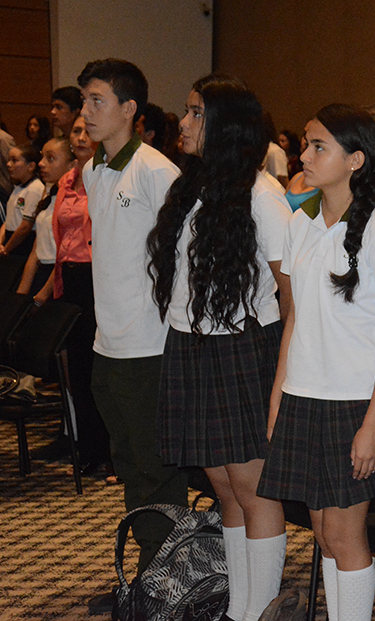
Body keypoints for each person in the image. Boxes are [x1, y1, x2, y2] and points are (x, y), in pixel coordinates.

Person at [146, 74, 291, 621]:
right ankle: (241, 605)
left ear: (226, 125)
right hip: (191, 344)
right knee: (224, 487)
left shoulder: (262, 194)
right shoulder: (192, 186)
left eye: (195, 113)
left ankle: (259, 609)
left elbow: (291, 291)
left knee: (253, 489)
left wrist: (282, 369)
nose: (182, 123)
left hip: (244, 348)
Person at [258, 103, 375, 621]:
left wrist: (373, 422)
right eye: (305, 144)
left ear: (356, 159)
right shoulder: (300, 221)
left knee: (344, 535)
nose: (304, 156)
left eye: (319, 147)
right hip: (303, 394)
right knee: (321, 533)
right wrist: (278, 395)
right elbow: (294, 320)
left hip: (354, 400)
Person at [79, 58, 189, 613]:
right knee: (129, 465)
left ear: (130, 110)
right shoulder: (93, 169)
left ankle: (160, 583)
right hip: (109, 344)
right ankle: (147, 576)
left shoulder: (157, 172)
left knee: (155, 471)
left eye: (97, 101)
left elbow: (180, 264)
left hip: (149, 348)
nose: (86, 113)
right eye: (83, 102)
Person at [53, 115, 110, 477]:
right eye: (75, 130)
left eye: (86, 130)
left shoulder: (103, 179)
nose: (80, 136)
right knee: (77, 368)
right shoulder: (66, 182)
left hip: (97, 279)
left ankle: (109, 451)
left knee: (98, 369)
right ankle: (87, 449)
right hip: (70, 279)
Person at [17, 137, 74, 299]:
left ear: (71, 166)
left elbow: (64, 254)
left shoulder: (73, 202)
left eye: (50, 158)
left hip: (58, 278)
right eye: (42, 157)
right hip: (41, 272)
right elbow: (36, 248)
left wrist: (43, 294)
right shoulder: (48, 192)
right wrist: (22, 292)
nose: (41, 163)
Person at [2, 143, 44, 256]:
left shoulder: (35, 189)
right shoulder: (18, 188)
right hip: (11, 241)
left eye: (14, 160)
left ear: (31, 166)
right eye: (9, 159)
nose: (8, 164)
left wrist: (6, 248)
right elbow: (9, 220)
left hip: (22, 245)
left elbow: (25, 227)